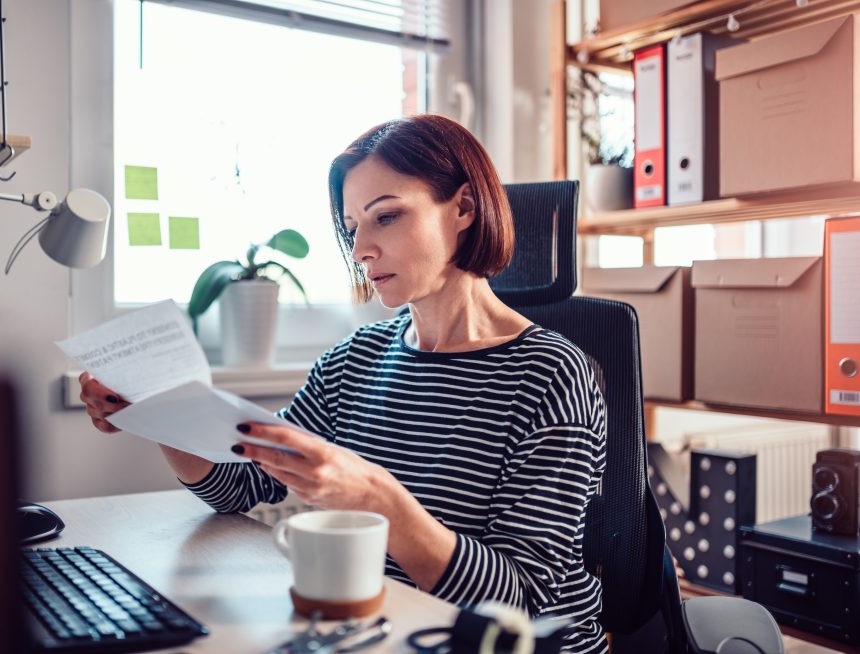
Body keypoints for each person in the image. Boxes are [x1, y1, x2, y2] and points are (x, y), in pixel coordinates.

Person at [80, 114, 607, 653]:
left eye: (387, 217)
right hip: (385, 628)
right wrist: (160, 414)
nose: (360, 251)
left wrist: (380, 499)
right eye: (354, 228)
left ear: (464, 208)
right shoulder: (353, 361)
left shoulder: (552, 375)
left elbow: (517, 603)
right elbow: (242, 487)